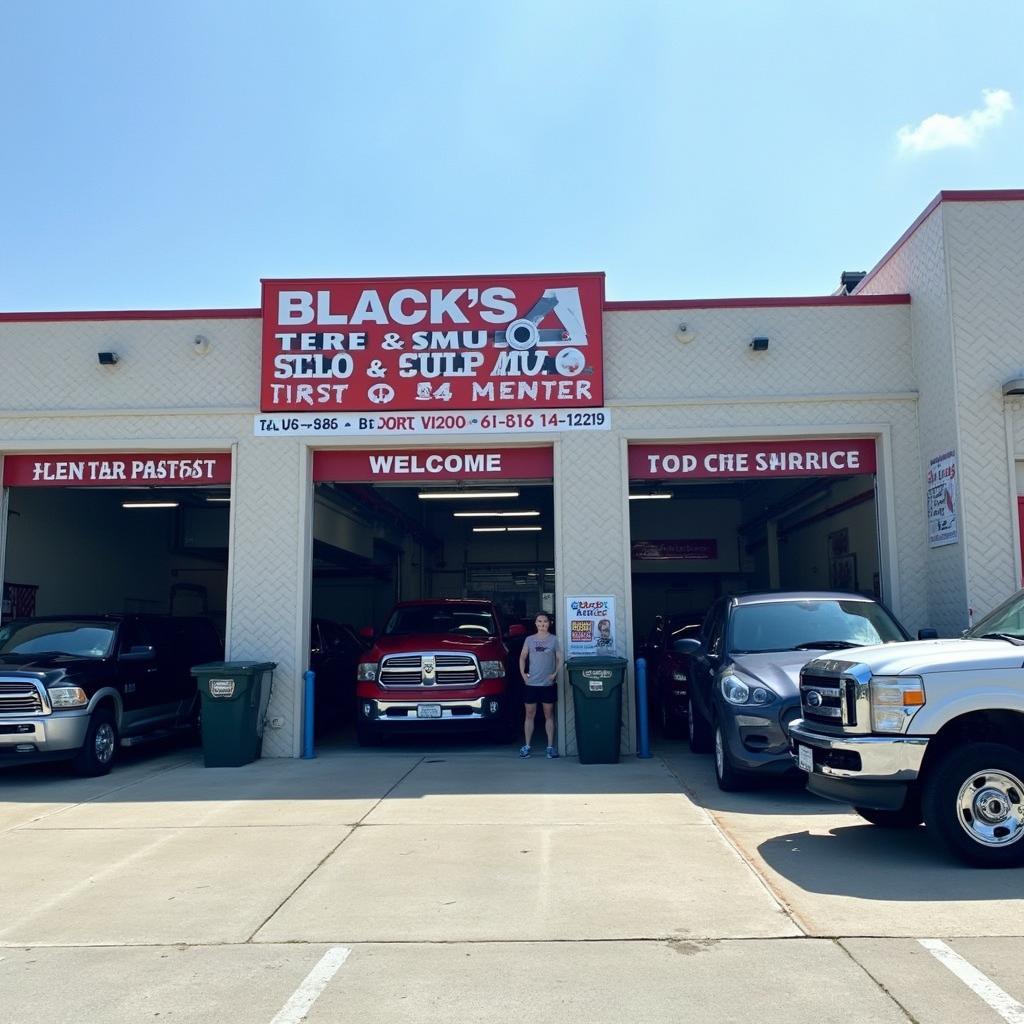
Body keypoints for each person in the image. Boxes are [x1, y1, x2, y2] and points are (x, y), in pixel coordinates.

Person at [518, 612, 563, 758]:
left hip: (547, 684)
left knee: (548, 715)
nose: (542, 624)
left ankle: (550, 747)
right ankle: (527, 746)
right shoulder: (529, 640)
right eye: (539, 621)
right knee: (529, 714)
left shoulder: (553, 640)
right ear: (535, 623)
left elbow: (559, 658)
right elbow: (522, 657)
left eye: (545, 621)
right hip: (531, 684)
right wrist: (523, 675)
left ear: (549, 623)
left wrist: (555, 674)